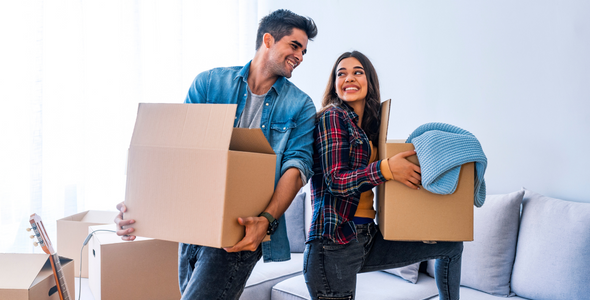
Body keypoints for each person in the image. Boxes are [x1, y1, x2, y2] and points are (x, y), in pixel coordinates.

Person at [114, 9, 318, 299]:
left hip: (243, 228)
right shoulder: (209, 83)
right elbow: (177, 152)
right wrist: (139, 206)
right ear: (268, 40)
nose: (300, 56)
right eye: (294, 46)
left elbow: (297, 169)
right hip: (195, 223)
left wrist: (266, 220)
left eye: (304, 51)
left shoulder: (300, 105)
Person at [304, 51, 463, 300]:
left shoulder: (368, 128)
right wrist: (387, 169)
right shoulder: (332, 117)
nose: (349, 78)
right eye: (341, 73)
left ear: (369, 81)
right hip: (335, 243)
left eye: (358, 72)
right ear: (334, 84)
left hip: (368, 237)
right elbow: (336, 180)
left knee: (451, 245)